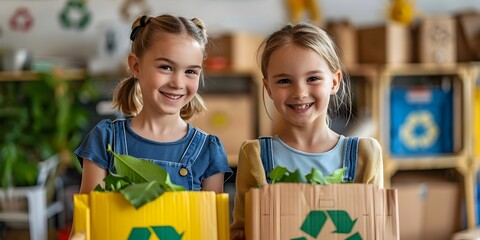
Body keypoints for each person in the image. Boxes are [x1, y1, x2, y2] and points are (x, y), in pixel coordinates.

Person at [229, 22, 384, 240]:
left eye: (312, 79)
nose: (300, 92)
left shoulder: (365, 154)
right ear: (268, 88)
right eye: (284, 81)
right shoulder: (255, 157)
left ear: (334, 81)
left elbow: (375, 229)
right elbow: (241, 232)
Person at [74, 14, 232, 194]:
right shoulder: (105, 140)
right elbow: (88, 219)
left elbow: (212, 222)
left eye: (190, 71)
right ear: (135, 66)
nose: (178, 83)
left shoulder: (208, 150)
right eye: (166, 67)